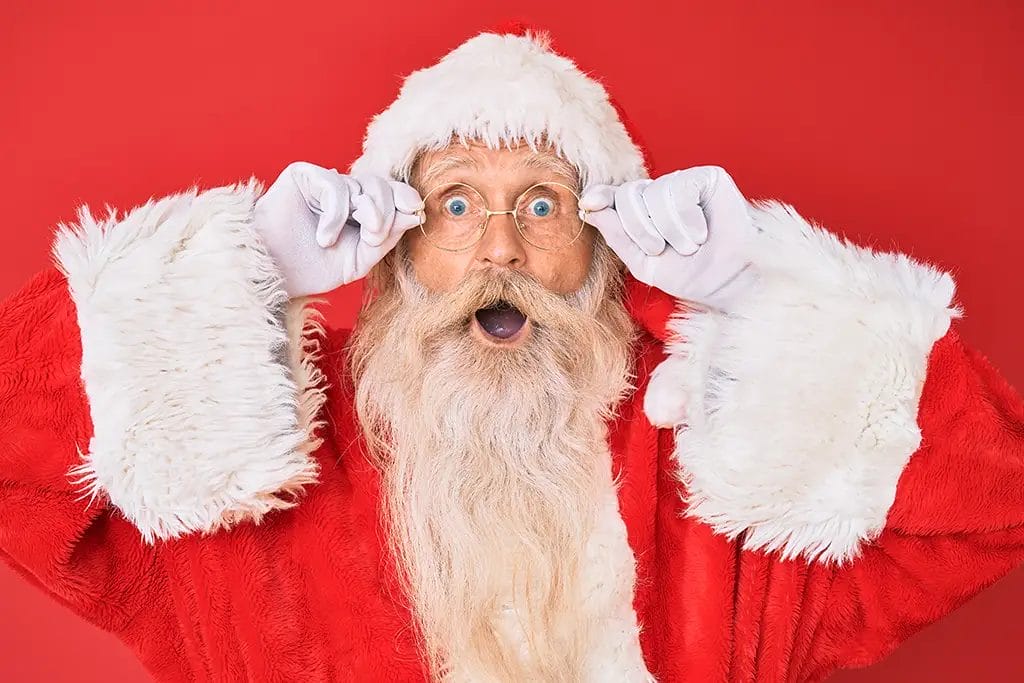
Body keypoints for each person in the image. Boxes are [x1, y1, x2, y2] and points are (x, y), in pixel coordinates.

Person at [1, 27, 1022, 683]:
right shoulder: (260, 454)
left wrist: (762, 290)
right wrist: (242, 270)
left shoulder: (714, 471)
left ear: (606, 241)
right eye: (455, 204)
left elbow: (996, 499)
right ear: (396, 238)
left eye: (542, 202)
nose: (500, 247)